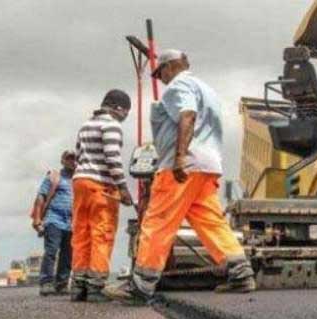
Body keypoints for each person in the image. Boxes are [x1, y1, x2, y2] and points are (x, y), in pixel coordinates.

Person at [104, 49, 255, 304]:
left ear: (170, 66)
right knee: (210, 221)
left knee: (158, 221)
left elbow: (188, 114)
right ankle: (240, 273)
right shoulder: (207, 90)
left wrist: (180, 156)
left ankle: (141, 286)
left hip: (183, 167)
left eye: (160, 72)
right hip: (208, 166)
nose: (160, 78)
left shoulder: (178, 86)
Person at [71, 89, 134, 301]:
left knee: (81, 233)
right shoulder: (112, 126)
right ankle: (96, 287)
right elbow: (112, 158)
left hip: (80, 182)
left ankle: (78, 286)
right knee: (102, 233)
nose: (125, 116)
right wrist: (123, 188)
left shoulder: (85, 125)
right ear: (117, 108)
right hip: (101, 185)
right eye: (126, 111)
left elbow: (78, 156)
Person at [31, 150, 76, 296]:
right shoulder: (54, 176)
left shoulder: (78, 180)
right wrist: (37, 219)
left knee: (67, 254)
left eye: (74, 159)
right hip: (53, 219)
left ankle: (62, 284)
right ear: (62, 161)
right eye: (69, 159)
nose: (72, 161)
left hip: (71, 222)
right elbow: (41, 197)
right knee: (51, 251)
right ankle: (46, 283)